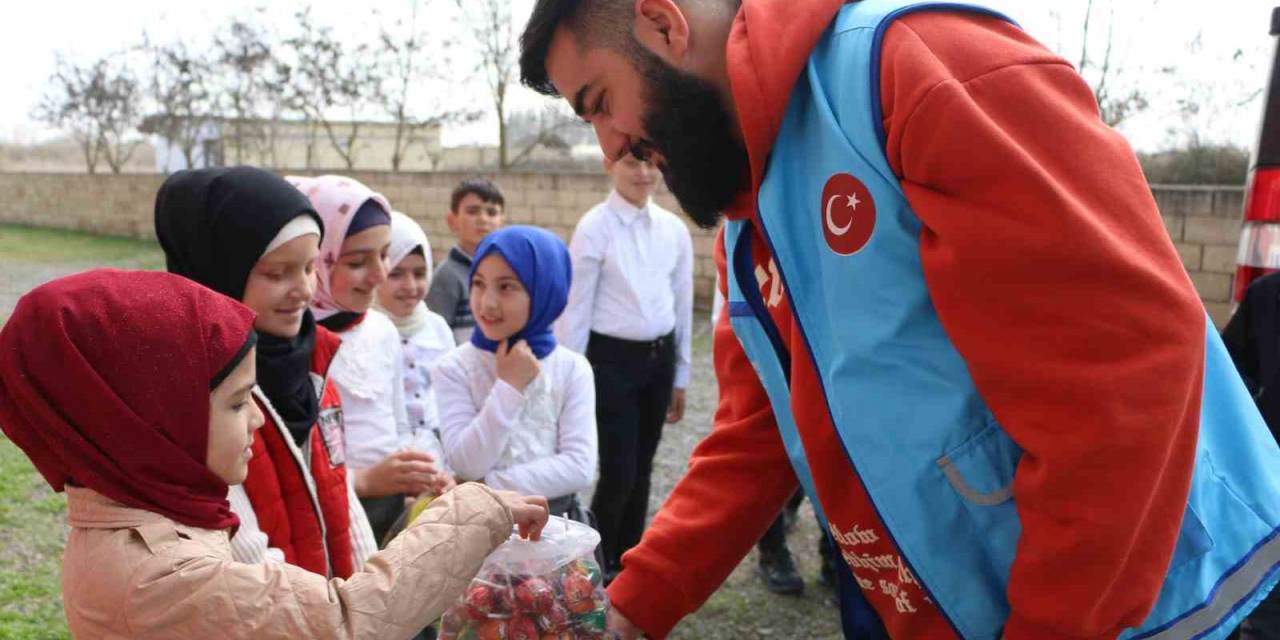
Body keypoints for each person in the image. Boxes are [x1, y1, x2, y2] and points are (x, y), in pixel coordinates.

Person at [519, 1, 1280, 638]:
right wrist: (631, 606)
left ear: (661, 22)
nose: (610, 144)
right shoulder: (750, 220)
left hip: (1169, 608)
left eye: (599, 103)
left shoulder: (912, 67)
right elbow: (757, 435)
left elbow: (1125, 381)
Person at [0, 268, 549, 639]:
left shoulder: (154, 505)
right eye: (238, 402)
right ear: (147, 420)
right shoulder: (155, 575)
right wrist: (476, 509)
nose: (258, 419)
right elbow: (349, 621)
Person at [154, 166, 377, 576]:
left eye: (310, 267)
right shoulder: (203, 391)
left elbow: (340, 491)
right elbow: (244, 550)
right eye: (277, 273)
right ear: (218, 270)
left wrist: (373, 599)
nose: (304, 289)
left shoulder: (315, 360)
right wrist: (339, 614)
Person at [288, 174, 450, 544]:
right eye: (358, 261)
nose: (379, 274)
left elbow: (394, 424)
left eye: (384, 255)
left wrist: (418, 472)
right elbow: (292, 462)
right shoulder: (294, 345)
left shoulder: (381, 329)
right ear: (319, 260)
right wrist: (363, 481)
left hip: (390, 509)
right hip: (327, 519)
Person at [554, 152, 692, 583]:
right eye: (633, 163)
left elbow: (683, 303)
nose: (644, 173)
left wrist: (682, 374)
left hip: (658, 358)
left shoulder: (674, 229)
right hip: (610, 362)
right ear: (609, 166)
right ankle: (597, 562)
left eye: (652, 164)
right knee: (619, 469)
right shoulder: (595, 227)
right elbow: (576, 310)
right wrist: (566, 380)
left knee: (645, 464)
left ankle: (628, 559)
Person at [432, 225, 598, 521]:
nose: (487, 302)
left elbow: (579, 466)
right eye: (479, 284)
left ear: (545, 291)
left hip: (555, 529)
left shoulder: (571, 368)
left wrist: (486, 486)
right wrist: (508, 387)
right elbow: (466, 463)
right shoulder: (454, 368)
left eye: (506, 286)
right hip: (479, 534)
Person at [375, 210, 456, 472]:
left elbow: (450, 395)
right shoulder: (369, 330)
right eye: (396, 274)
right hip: (387, 462)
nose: (410, 286)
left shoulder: (437, 327)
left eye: (420, 273)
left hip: (439, 457)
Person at [427, 178, 506, 345]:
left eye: (492, 212)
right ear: (452, 221)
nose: (483, 219)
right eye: (473, 211)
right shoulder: (447, 276)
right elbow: (436, 337)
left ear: (502, 222)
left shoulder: (506, 273)